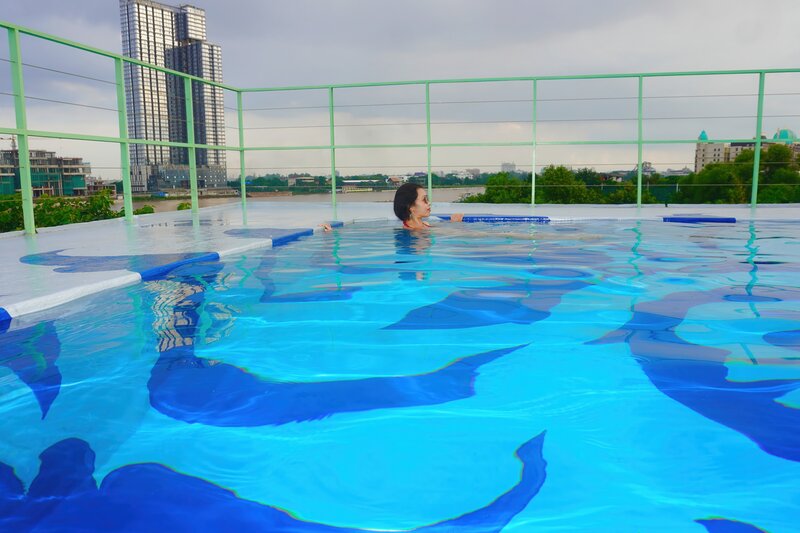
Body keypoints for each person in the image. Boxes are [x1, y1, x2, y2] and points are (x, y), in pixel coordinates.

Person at [393, 183, 463, 229]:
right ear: (410, 206)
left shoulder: (425, 224)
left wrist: (453, 223)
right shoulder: (415, 234)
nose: (429, 203)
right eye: (424, 200)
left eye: (427, 199)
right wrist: (456, 226)